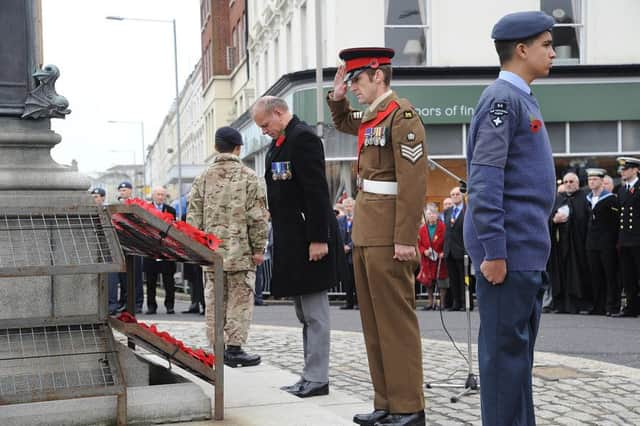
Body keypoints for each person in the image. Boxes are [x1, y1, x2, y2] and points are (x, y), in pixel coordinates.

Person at [463, 11, 557, 426]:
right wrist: (495, 250)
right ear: (521, 50)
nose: (554, 53)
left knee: (516, 361)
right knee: (504, 364)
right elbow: (484, 179)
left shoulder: (520, 98)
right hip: (509, 254)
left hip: (524, 250)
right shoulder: (503, 99)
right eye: (547, 45)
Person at [328, 47, 427, 426]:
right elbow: (345, 122)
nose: (352, 87)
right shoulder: (373, 117)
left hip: (389, 233)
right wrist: (336, 101)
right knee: (373, 322)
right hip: (368, 228)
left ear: (379, 76)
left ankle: (409, 406)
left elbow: (414, 182)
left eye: (356, 80)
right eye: (350, 80)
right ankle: (386, 401)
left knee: (396, 322)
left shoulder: (401, 117)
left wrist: (406, 236)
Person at [251, 96, 339, 398]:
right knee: (304, 314)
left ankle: (317, 378)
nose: (264, 131)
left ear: (278, 112)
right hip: (292, 241)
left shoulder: (303, 139)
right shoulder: (278, 145)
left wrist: (319, 238)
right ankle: (309, 375)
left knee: (316, 314)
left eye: (265, 124)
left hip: (309, 240)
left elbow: (316, 192)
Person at [188, 126, 269, 366]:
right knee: (240, 300)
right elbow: (257, 216)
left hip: (210, 253)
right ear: (238, 147)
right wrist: (258, 248)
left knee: (214, 300)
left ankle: (217, 346)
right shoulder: (250, 176)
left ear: (215, 147)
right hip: (241, 252)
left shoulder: (202, 177)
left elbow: (193, 217)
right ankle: (234, 348)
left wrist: (197, 248)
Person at [549, 172, 591, 313]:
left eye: (571, 181)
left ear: (578, 183)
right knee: (561, 275)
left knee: (578, 274)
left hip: (578, 245)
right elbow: (548, 219)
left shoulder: (584, 198)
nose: (568, 184)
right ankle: (560, 305)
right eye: (565, 181)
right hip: (560, 246)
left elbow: (587, 220)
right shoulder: (558, 199)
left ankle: (579, 304)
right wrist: (554, 221)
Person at [585, 168, 620, 316]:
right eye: (589, 180)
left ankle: (612, 306)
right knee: (595, 275)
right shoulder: (587, 198)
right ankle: (597, 306)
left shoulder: (610, 198)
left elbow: (615, 223)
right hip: (592, 243)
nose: (591, 182)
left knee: (610, 275)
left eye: (595, 179)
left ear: (601, 181)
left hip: (607, 243)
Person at [143, 186, 177, 314]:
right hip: (151, 249)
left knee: (169, 280)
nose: (160, 197)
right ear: (153, 196)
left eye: (162, 195)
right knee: (151, 281)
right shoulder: (146, 209)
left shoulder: (171, 210)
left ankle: (170, 305)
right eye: (158, 194)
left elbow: (174, 229)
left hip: (166, 250)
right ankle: (151, 306)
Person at [613, 156, 640, 317]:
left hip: (638, 239)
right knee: (628, 276)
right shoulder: (621, 190)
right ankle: (631, 308)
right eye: (622, 169)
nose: (622, 172)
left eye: (626, 168)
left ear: (636, 169)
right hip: (625, 240)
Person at [116, 180, 144, 313]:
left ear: (130, 191)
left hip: (135, 244)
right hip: (121, 245)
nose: (123, 192)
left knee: (136, 276)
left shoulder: (136, 205)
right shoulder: (115, 206)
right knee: (123, 277)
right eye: (121, 190)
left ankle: (137, 303)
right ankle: (124, 302)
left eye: (125, 190)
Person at [418, 204, 448, 310]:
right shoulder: (422, 229)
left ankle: (442, 303)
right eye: (429, 214)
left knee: (441, 281)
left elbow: (447, 241)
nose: (431, 216)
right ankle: (430, 302)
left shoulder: (443, 227)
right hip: (427, 259)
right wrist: (424, 251)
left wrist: (443, 252)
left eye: (433, 213)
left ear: (437, 214)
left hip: (440, 258)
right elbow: (419, 243)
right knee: (428, 281)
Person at [442, 186, 468, 311]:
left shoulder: (467, 210)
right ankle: (456, 303)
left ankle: (465, 303)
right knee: (453, 279)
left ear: (462, 195)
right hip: (449, 250)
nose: (455, 196)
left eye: (457, 194)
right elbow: (446, 232)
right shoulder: (448, 211)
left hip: (462, 250)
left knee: (464, 279)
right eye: (452, 194)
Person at [338, 197, 357, 309]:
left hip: (354, 253)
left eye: (350, 206)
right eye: (346, 206)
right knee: (347, 280)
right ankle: (349, 302)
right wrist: (342, 247)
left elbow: (359, 235)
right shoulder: (340, 220)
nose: (348, 208)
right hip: (344, 255)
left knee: (357, 280)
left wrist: (349, 246)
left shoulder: (359, 219)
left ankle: (359, 302)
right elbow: (337, 235)